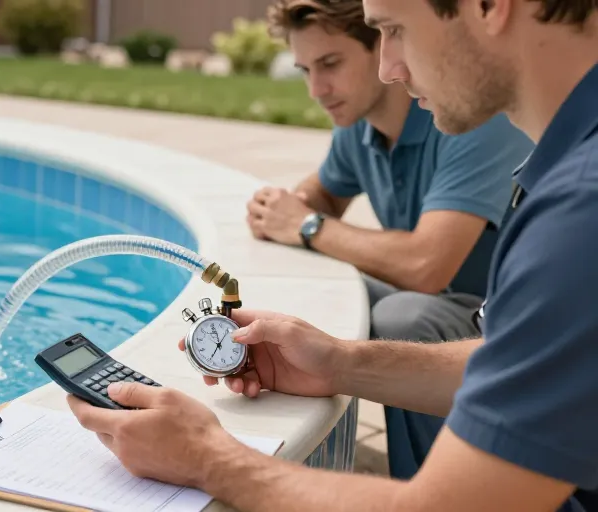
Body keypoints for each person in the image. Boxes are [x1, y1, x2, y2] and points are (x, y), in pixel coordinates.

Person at [67, 0, 598, 510]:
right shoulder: (570, 169)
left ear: (487, 5)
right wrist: (340, 363)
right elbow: (508, 360)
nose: (389, 67)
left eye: (394, 29)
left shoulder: (578, 210)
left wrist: (206, 458)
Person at [244, 0, 534, 480]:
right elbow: (317, 197)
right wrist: (287, 210)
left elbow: (426, 266)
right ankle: (297, 445)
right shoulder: (360, 126)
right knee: (305, 286)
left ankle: (429, 484)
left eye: (331, 64)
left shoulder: (466, 114)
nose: (317, 89)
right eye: (306, 70)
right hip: (440, 305)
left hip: (497, 322)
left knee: (402, 314)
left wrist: (308, 226)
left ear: (382, 41)